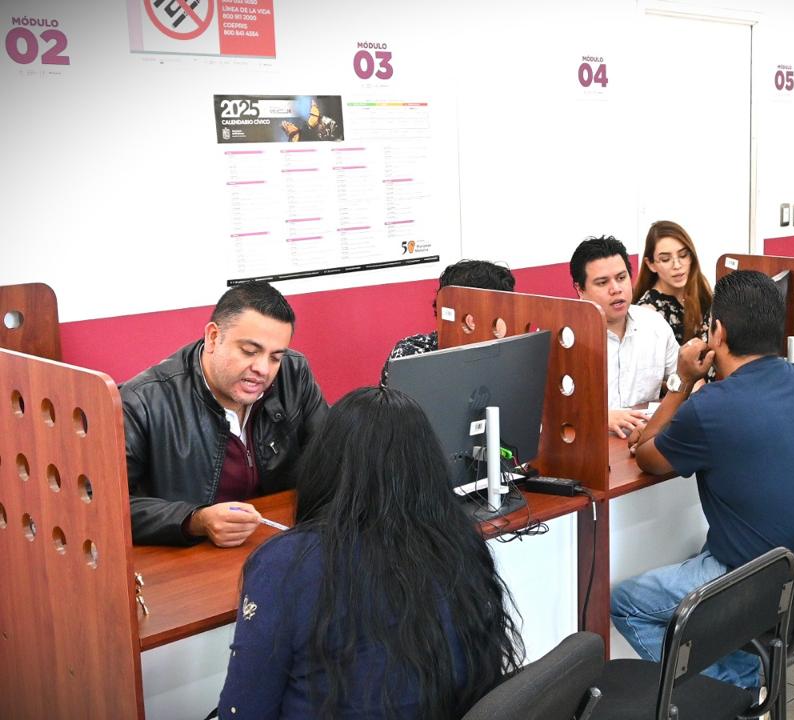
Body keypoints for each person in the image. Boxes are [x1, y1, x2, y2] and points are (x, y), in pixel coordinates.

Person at [218, 387, 523, 718]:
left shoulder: (285, 563)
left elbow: (243, 710)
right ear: (428, 466)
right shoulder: (461, 545)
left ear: (323, 464)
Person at [614, 270, 794, 689]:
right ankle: (741, 670)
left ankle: (731, 687)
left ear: (717, 332)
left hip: (765, 586)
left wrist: (683, 381)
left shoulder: (711, 408)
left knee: (624, 603)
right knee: (708, 547)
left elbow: (647, 455)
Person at [123, 282, 328, 547]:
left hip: (276, 543)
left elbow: (331, 458)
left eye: (275, 357)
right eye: (249, 352)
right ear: (212, 337)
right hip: (189, 556)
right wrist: (194, 520)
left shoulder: (293, 374)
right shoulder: (143, 401)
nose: (263, 369)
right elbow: (104, 506)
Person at [570, 235, 679, 438]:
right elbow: (547, 413)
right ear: (580, 289)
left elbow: (686, 380)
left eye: (621, 278)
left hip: (644, 442)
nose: (616, 289)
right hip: (587, 445)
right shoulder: (564, 337)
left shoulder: (655, 325)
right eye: (602, 282)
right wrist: (600, 418)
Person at [382, 259, 516, 384]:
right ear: (471, 321)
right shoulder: (412, 354)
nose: (512, 319)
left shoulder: (515, 354)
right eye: (504, 312)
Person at [633, 220, 714, 344]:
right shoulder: (647, 312)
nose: (677, 265)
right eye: (665, 259)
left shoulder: (700, 287)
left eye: (683, 255)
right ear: (650, 264)